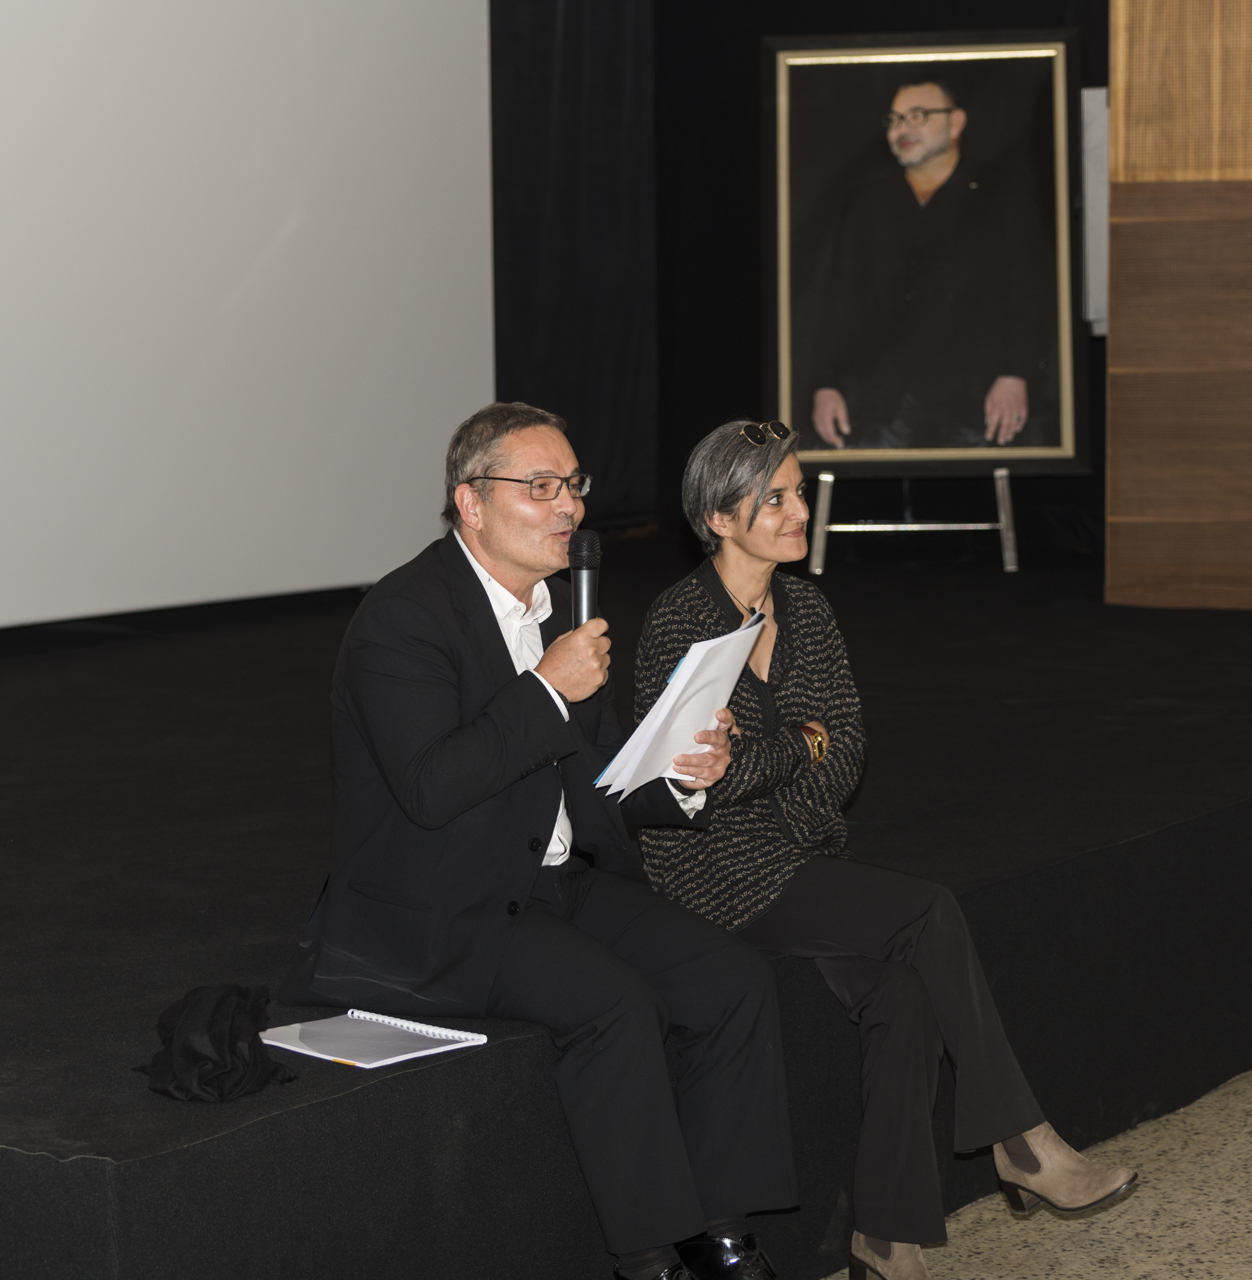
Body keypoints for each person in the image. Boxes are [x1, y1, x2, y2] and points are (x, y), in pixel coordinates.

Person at [281, 403, 795, 1280]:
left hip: (551, 881)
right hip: (440, 908)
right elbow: (431, 788)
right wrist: (548, 691)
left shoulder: (561, 612)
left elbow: (598, 779)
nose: (569, 507)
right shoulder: (402, 618)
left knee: (733, 980)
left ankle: (721, 1235)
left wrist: (681, 775)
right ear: (471, 503)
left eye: (574, 486)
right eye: (542, 487)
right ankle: (649, 1260)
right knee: (615, 1004)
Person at [635, 420, 1136, 1280]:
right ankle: (1022, 1142)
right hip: (714, 874)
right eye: (775, 499)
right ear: (719, 517)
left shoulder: (808, 610)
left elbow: (848, 754)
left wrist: (776, 757)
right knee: (928, 911)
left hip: (802, 857)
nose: (799, 511)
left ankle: (887, 1240)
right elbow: (695, 785)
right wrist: (800, 745)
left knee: (902, 995)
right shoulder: (678, 622)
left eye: (799, 492)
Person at [804, 78, 1057, 451]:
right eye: (894, 120)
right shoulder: (869, 203)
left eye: (917, 116)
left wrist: (1015, 374)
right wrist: (826, 385)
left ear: (956, 123)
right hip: (883, 405)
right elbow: (840, 301)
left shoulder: (1002, 193)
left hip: (979, 403)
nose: (901, 129)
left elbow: (1030, 292)